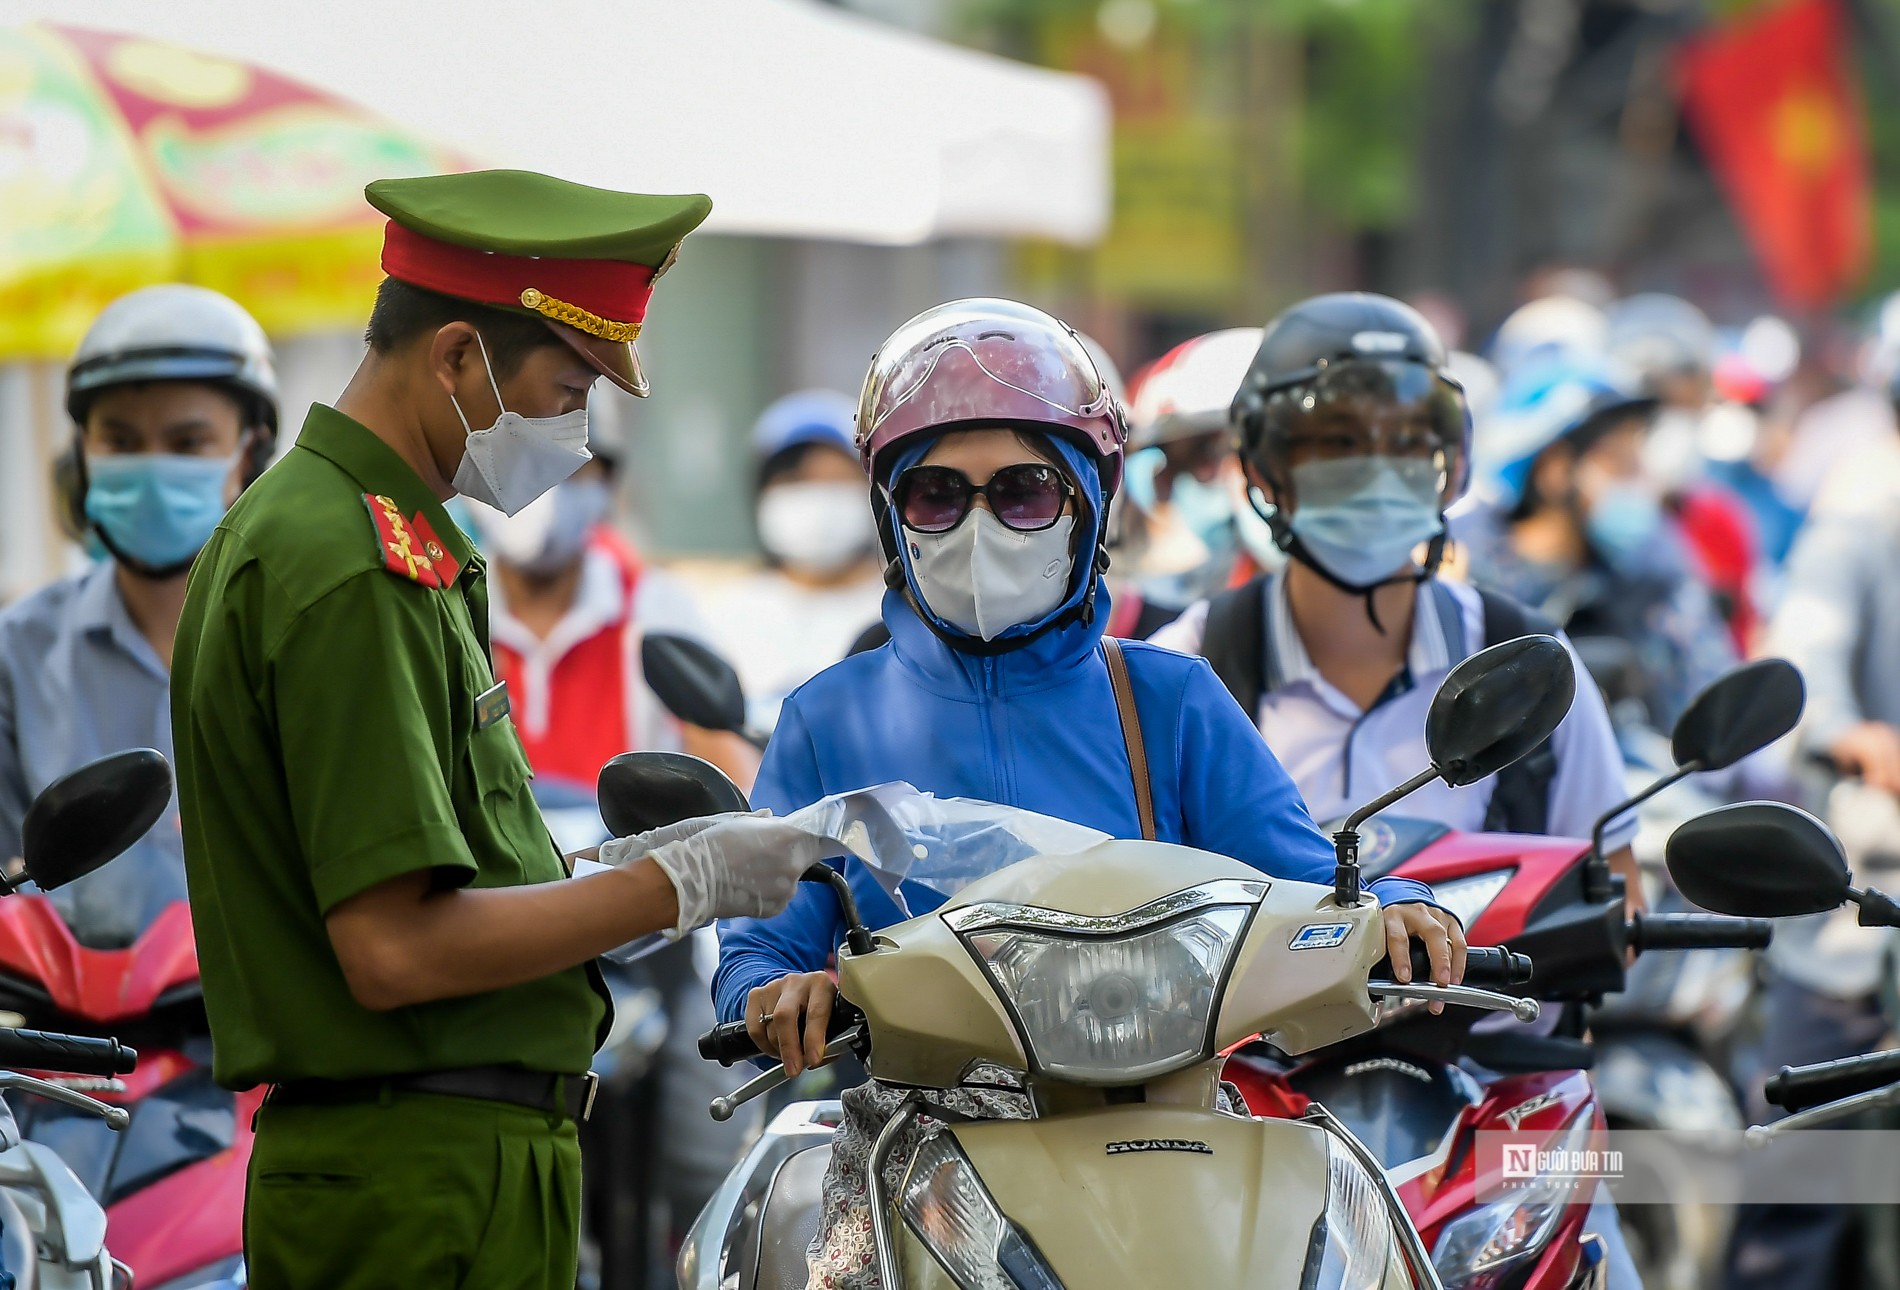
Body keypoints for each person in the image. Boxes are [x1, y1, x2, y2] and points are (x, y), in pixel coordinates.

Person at [712, 298, 1465, 1290]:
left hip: (1172, 1139)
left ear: (1090, 502)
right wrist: (774, 993)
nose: (979, 525)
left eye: (1024, 491)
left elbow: (1305, 892)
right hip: (912, 1147)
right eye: (936, 494)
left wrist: (1391, 923)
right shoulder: (826, 719)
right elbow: (757, 946)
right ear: (891, 516)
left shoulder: (1169, 699)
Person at [169, 169, 832, 1290]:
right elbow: (391, 950)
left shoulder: (387, 542)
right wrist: (681, 883)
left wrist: (600, 868)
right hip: (413, 1186)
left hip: (445, 1172)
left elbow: (448, 872)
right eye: (565, 386)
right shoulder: (347, 564)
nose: (573, 431)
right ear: (459, 358)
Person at [1147, 294, 1641, 1288]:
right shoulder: (1181, 672)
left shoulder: (1528, 667)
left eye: (1399, 438)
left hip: (1496, 1099)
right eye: (1333, 439)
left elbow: (1614, 882)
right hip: (1235, 1105)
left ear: (1445, 461)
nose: (1369, 464)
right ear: (1266, 468)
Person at [1725, 371, 1900, 1290]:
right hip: (1868, 909)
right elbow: (1803, 655)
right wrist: (1845, 731)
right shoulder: (1868, 505)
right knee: (1800, 1182)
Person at [1450, 357, 1737, 729]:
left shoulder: (1644, 575)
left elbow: (1711, 699)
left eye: (1638, 454)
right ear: (1554, 471)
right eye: (1616, 457)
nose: (1636, 477)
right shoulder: (1462, 574)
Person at [470, 432, 757, 790]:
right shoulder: (451, 607)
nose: (543, 493)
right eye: (518, 467)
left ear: (605, 482)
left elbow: (734, 776)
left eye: (567, 469)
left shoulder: (656, 608)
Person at [695, 390, 886, 729]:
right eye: (796, 481)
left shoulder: (901, 614)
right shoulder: (721, 616)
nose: (818, 499)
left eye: (836, 480)